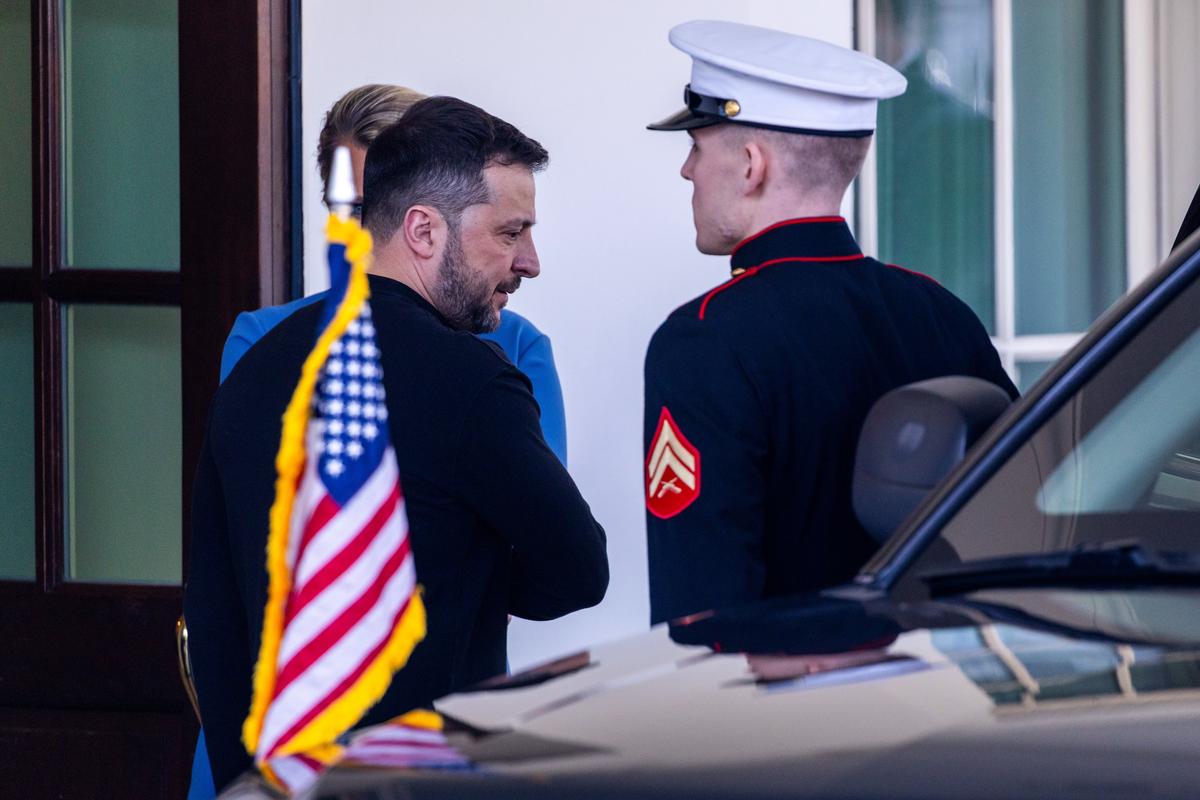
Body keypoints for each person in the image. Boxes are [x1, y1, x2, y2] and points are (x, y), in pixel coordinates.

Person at [184, 96, 608, 792]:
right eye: (511, 232)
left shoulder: (255, 370)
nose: (528, 261)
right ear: (423, 230)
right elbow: (579, 569)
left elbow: (217, 611)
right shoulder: (476, 380)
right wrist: (476, 567)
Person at [642, 21, 1017, 624]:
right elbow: (1014, 518)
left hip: (787, 706)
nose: (687, 171)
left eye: (697, 146)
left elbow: (702, 602)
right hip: (937, 685)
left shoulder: (706, 339)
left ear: (750, 166)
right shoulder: (942, 314)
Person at [220, 84, 568, 464]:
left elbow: (544, 514)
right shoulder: (263, 339)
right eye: (357, 210)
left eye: (395, 207)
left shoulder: (518, 344)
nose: (377, 232)